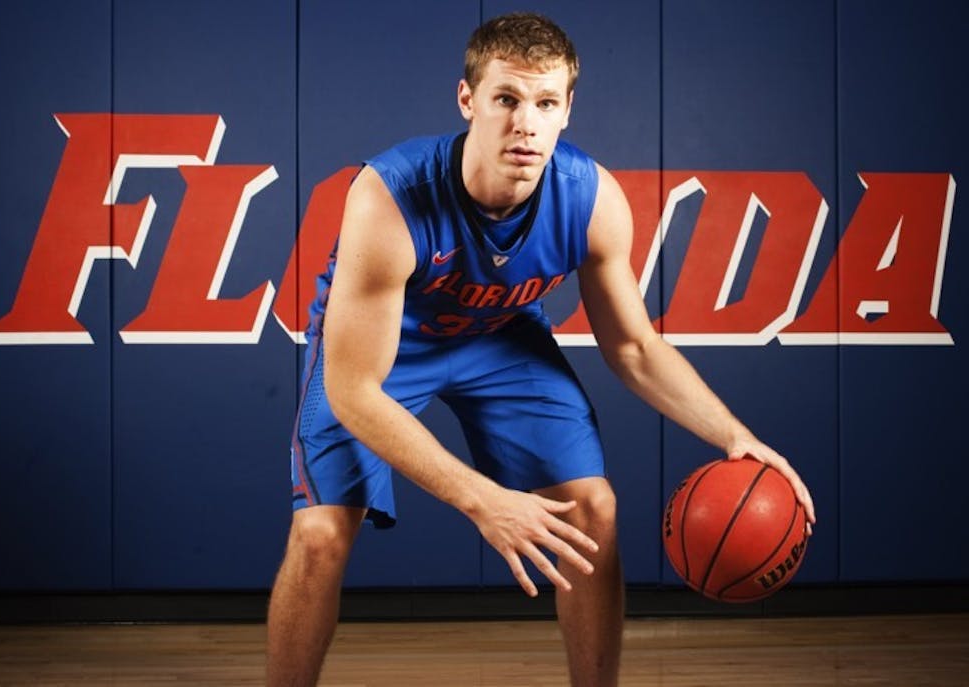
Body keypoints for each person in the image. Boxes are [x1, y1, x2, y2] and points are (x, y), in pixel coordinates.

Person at [267, 12, 816, 687]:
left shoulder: (592, 199)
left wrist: (736, 437)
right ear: (468, 100)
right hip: (386, 345)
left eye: (546, 102)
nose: (526, 122)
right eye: (507, 99)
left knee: (594, 510)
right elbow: (355, 390)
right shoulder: (391, 198)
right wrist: (482, 499)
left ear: (567, 111)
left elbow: (636, 348)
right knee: (320, 534)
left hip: (498, 334)